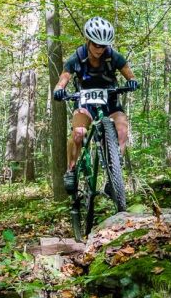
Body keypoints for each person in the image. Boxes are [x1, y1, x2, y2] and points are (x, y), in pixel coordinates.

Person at [53, 16, 139, 192]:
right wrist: (59, 89)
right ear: (88, 40)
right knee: (78, 134)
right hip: (85, 104)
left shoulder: (113, 56)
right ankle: (71, 170)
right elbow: (63, 79)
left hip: (110, 102)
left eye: (104, 45)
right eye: (96, 45)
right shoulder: (76, 57)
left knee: (122, 129)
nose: (100, 49)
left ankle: (115, 174)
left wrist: (132, 81)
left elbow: (130, 74)